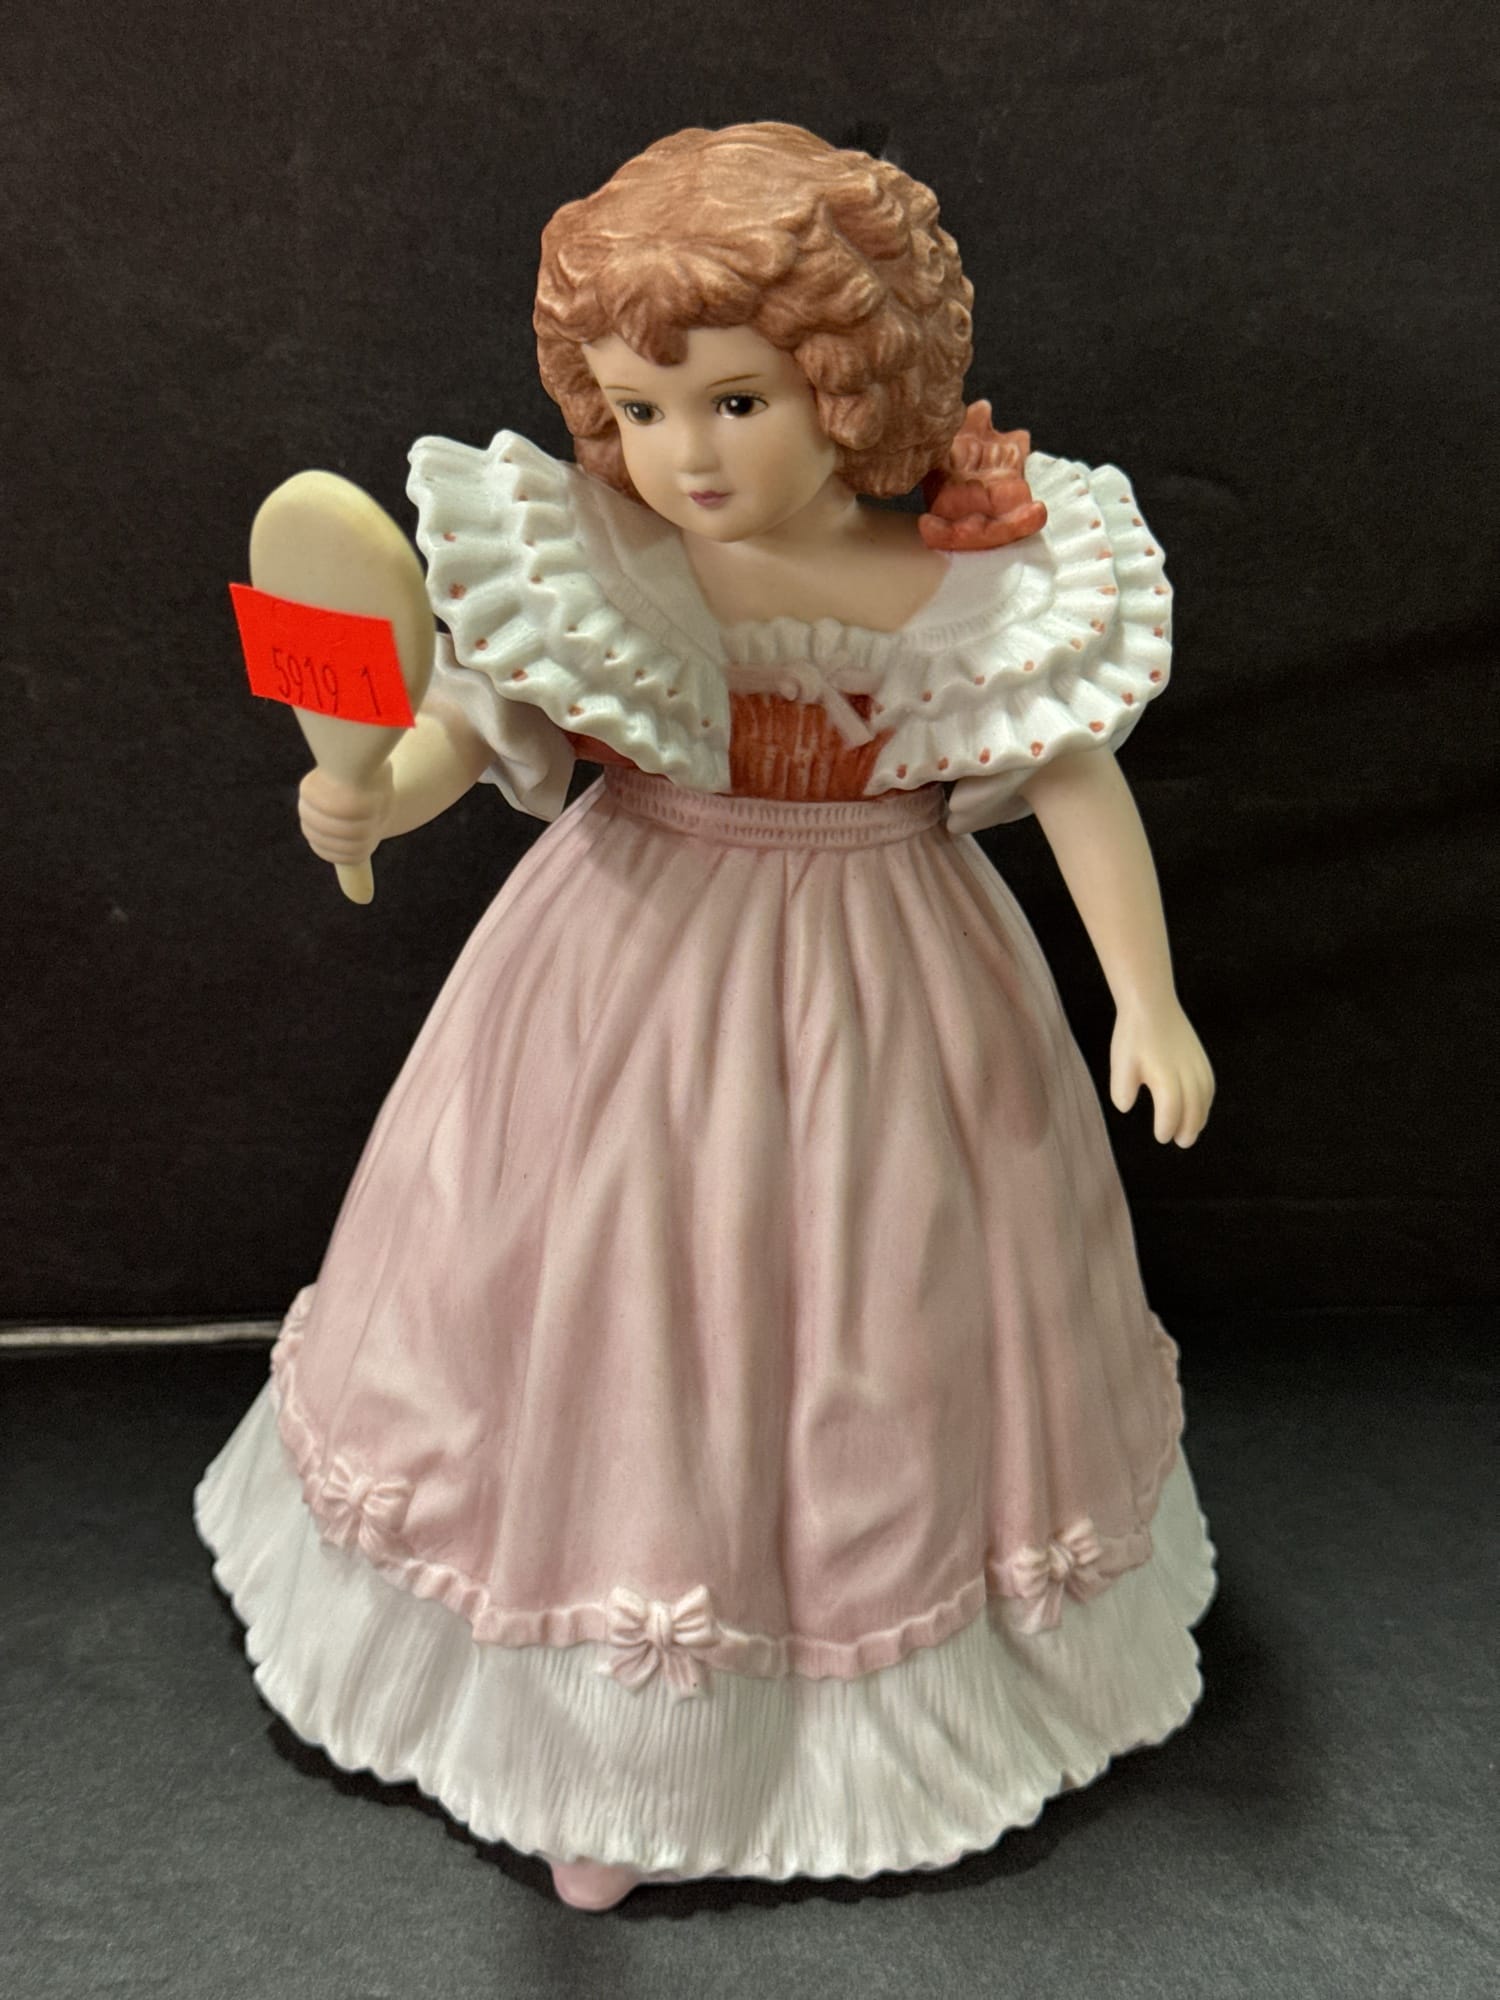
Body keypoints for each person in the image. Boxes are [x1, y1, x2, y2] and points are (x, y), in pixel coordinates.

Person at [198, 122, 1216, 1912]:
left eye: (736, 403)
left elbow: (1072, 776)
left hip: (893, 999)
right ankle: (598, 1740)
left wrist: (1149, 998)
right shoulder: (600, 560)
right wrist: (368, 792)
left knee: (879, 1310)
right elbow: (469, 724)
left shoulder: (969, 576)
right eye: (642, 409)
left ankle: (827, 1702)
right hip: (620, 984)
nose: (685, 455)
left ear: (853, 383)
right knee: (613, 1319)